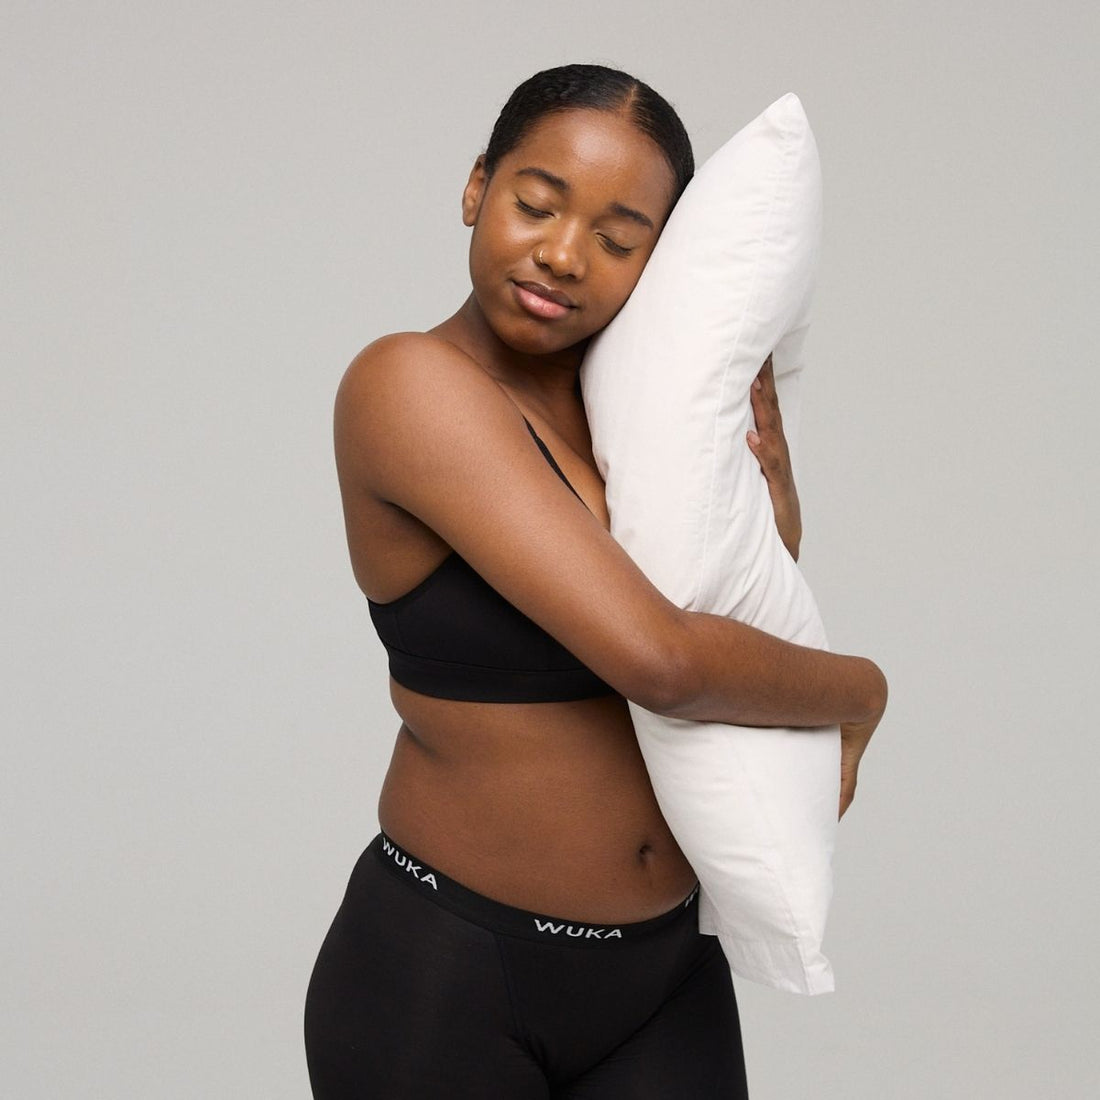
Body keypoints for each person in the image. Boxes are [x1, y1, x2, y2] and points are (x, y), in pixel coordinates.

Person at [304, 63, 887, 1099]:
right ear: (476, 187)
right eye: (535, 203)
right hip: (451, 972)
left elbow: (721, 611)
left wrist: (774, 513)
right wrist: (861, 692)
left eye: (619, 240)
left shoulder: (637, 408)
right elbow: (659, 657)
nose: (564, 255)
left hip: (662, 974)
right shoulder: (407, 386)